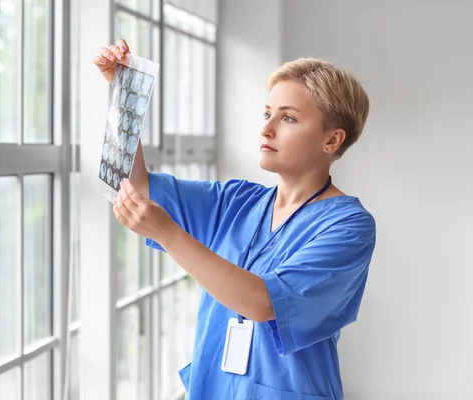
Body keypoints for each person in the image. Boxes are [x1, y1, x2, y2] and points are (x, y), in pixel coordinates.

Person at [94, 39, 376, 400]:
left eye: (288, 118)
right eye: (267, 114)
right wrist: (123, 93)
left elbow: (263, 303)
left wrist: (168, 234)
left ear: (332, 140)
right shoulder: (235, 201)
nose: (266, 129)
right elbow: (137, 188)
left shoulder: (348, 226)